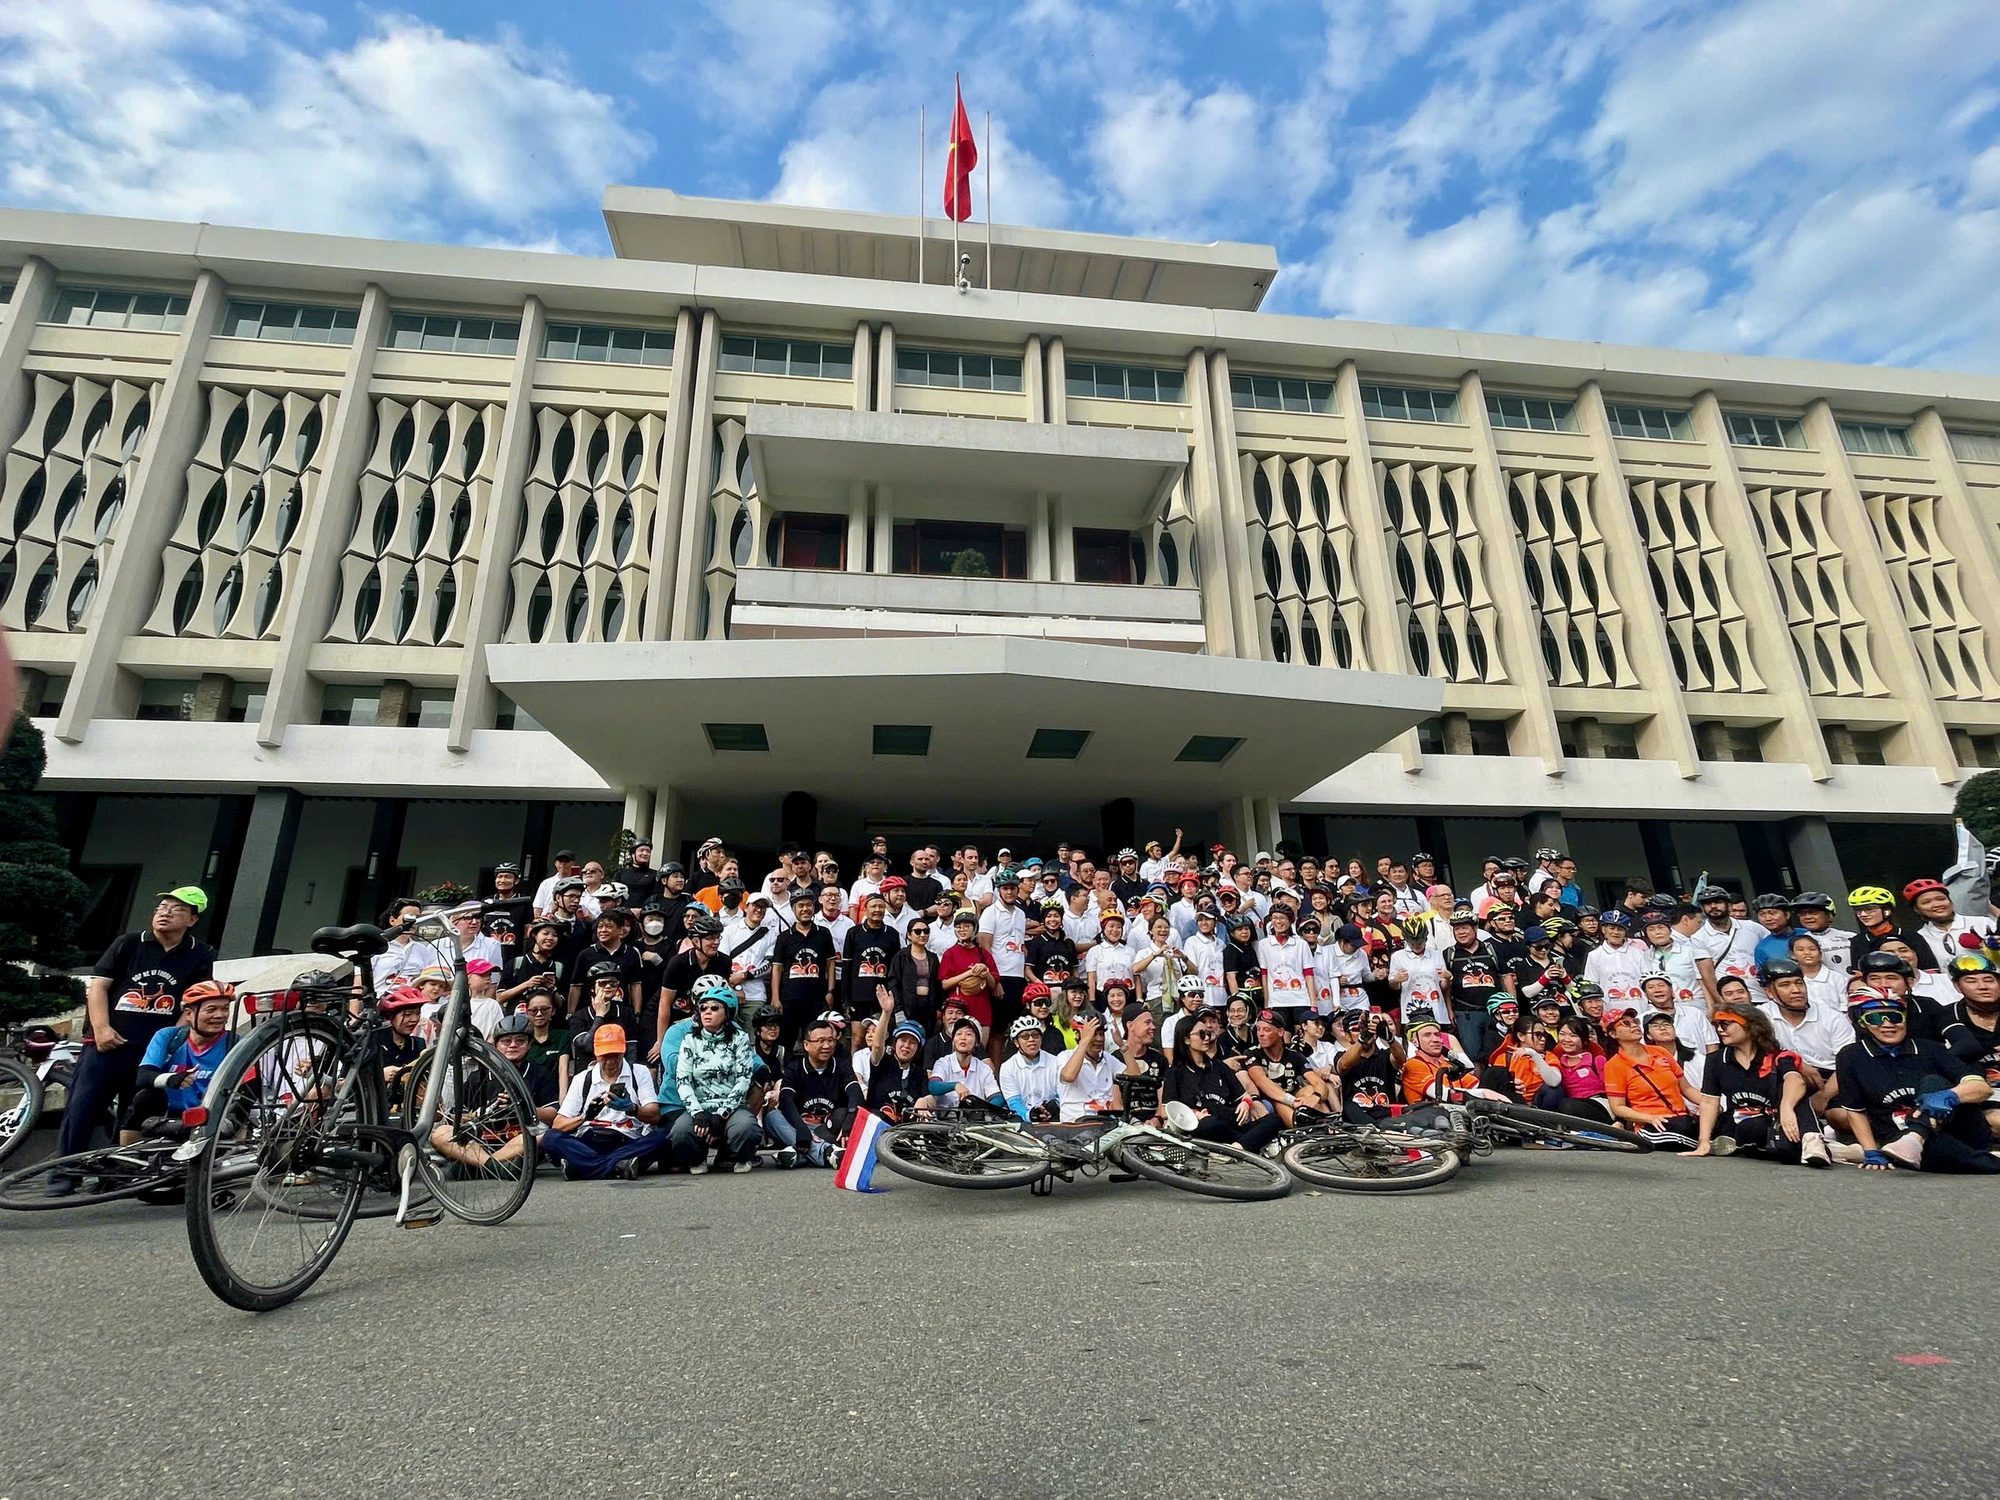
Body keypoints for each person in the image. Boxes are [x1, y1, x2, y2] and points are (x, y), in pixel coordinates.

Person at [54, 885, 216, 1175]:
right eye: (161, 907)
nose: (164, 913)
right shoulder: (129, 943)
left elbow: (194, 1003)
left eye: (176, 909)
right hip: (108, 1043)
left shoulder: (200, 953)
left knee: (138, 1110)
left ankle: (121, 1171)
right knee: (83, 1106)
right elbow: (98, 987)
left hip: (152, 1049)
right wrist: (101, 1029)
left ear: (192, 919)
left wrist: (171, 1041)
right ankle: (65, 1173)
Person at [1836, 989, 1999, 1173]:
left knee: (1933, 1081)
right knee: (1955, 1158)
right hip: (1900, 1135)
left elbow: (1982, 1088)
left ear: (1905, 1019)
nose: (1888, 1024)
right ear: (1863, 1024)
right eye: (1876, 1019)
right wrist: (1871, 1151)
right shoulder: (1850, 1056)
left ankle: (1915, 1137)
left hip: (1956, 1127)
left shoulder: (1931, 1049)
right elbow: (1856, 1111)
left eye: (1895, 1017)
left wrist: (1949, 1096)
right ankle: (1915, 1140)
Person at [1688, 1003, 1834, 1166]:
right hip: (1742, 1118)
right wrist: (1703, 1142)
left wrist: (1786, 1107)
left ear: (1750, 1026)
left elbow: (1796, 1080)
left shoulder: (1776, 1055)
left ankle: (1812, 1141)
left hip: (1778, 1117)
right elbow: (1709, 1102)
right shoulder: (1715, 1060)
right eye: (1717, 1025)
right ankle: (1825, 1149)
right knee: (1753, 1129)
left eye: (1725, 1024)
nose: (1720, 1030)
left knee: (1789, 1132)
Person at [116, 980, 234, 1142]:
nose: (220, 1015)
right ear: (189, 1014)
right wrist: (171, 1079)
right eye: (211, 1009)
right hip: (169, 1115)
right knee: (145, 1098)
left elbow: (249, 1091)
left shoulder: (235, 1043)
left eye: (225, 1009)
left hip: (212, 1118)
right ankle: (127, 1158)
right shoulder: (168, 1037)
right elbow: (143, 1076)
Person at [543, 1023, 664, 1181]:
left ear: (623, 1051)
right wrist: (584, 1117)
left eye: (616, 1054)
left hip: (626, 1140)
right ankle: (617, 1167)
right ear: (596, 1053)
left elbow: (655, 1115)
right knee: (550, 1138)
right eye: (605, 1055)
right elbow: (558, 1124)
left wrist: (632, 1108)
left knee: (663, 1136)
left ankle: (583, 1167)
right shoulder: (583, 1079)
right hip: (589, 1139)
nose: (610, 1061)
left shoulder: (639, 1072)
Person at [671, 985, 763, 1174]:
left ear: (727, 1012)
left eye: (714, 1008)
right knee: (680, 1132)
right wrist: (697, 1113)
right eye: (703, 1008)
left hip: (732, 1106)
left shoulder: (740, 1039)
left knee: (747, 1129)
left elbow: (744, 1079)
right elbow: (683, 1080)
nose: (707, 1012)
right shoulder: (689, 1041)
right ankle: (697, 1158)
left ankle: (740, 1156)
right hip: (699, 1105)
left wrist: (722, 1115)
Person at [1164, 1008, 1278, 1152]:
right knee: (1210, 1124)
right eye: (1201, 1034)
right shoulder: (1175, 1072)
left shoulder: (1219, 1067)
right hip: (1204, 1125)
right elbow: (1166, 1110)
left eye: (1207, 1034)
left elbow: (1244, 1096)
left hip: (1232, 1123)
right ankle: (1248, 1145)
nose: (1206, 1038)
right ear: (1186, 1039)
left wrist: (1246, 1103)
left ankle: (1236, 1148)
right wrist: (1194, 1114)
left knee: (1274, 1120)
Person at [1756, 958, 1852, 1117]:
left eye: (1799, 983)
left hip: (1831, 1081)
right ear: (1769, 992)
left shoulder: (1831, 1017)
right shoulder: (1762, 1016)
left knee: (1841, 1117)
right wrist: (1798, 1063)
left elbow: (1847, 1065)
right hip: (1787, 1078)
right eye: (1785, 985)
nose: (1796, 990)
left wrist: (1823, 1097)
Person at [1601, 1008, 1703, 1149]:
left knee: (1718, 1118)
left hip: (1682, 1117)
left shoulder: (1660, 1052)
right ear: (1613, 1034)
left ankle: (1707, 1140)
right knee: (1682, 1131)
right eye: (1626, 1023)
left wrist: (1708, 1105)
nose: (1635, 1025)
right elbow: (1618, 1107)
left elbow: (1686, 1088)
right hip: (1652, 1124)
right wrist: (1650, 1118)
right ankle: (1705, 1143)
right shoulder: (1614, 1065)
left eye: (1635, 1022)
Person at [777, 1016, 863, 1167]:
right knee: (773, 1117)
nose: (827, 1045)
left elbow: (856, 1093)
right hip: (800, 1126)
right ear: (806, 1045)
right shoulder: (794, 1068)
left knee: (846, 1114)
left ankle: (800, 1154)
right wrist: (801, 1128)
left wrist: (849, 1120)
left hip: (831, 1127)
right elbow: (785, 1100)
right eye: (820, 1041)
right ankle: (826, 1152)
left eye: (830, 1040)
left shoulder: (842, 1065)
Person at [654, 911, 728, 1059]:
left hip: (705, 1018)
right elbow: (664, 1004)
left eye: (718, 937)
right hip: (675, 1017)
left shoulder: (724, 962)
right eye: (710, 938)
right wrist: (661, 1041)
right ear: (695, 941)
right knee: (657, 1057)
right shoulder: (677, 963)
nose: (716, 942)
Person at [770, 888, 837, 1047]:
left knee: (816, 1040)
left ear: (814, 907)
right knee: (786, 1042)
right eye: (800, 905)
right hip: (790, 998)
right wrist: (775, 997)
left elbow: (830, 964)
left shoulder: (824, 934)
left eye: (809, 905)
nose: (805, 909)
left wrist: (831, 992)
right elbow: (777, 968)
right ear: (793, 909)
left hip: (817, 998)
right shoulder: (784, 937)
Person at [1242, 1008, 1333, 1126]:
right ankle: (1300, 1129)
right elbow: (1262, 1081)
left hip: (1294, 1099)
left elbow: (1320, 1084)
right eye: (1258, 1029)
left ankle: (1330, 1126)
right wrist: (1291, 1101)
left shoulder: (1294, 1056)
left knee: (1310, 1090)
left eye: (1266, 1030)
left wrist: (1314, 1098)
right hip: (1269, 1102)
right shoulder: (1252, 1053)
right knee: (1276, 1100)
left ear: (1280, 1032)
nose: (1260, 1034)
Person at [1903, 876, 1995, 972]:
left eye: (1941, 899)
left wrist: (1986, 946)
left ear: (1950, 901)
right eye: (1926, 902)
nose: (1936, 904)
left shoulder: (1982, 923)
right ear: (1917, 909)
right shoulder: (1920, 937)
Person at [493, 1011, 564, 1127]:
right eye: (506, 1041)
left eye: (520, 1040)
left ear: (529, 1045)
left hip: (524, 1136)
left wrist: (522, 1108)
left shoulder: (539, 1073)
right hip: (482, 1137)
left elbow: (553, 1113)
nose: (513, 1045)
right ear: (496, 1045)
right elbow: (459, 1115)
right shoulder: (480, 1075)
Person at [1055, 1009, 1121, 1120]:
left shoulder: (1107, 1058)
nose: (1099, 1039)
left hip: (1104, 1122)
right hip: (1075, 1124)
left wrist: (1123, 1047)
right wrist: (1085, 1040)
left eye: (1101, 1034)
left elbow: (1134, 1076)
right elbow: (1069, 1076)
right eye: (1094, 1034)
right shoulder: (1065, 1056)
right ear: (1078, 1034)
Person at [372, 983, 428, 1112]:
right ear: (390, 1017)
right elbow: (342, 1083)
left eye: (417, 1014)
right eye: (407, 1015)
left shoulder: (418, 1044)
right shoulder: (372, 1043)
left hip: (407, 1113)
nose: (414, 1019)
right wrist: (379, 1075)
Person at [1388, 915, 1449, 1028]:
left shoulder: (1436, 955)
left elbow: (1444, 986)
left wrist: (1448, 978)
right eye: (1412, 943)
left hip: (1437, 1011)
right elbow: (1394, 986)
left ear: (1426, 938)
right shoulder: (1398, 956)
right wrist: (1397, 980)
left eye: (1419, 942)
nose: (1416, 946)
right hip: (1411, 1011)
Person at [999, 1015, 1062, 1121]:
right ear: (1016, 1043)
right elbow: (1014, 1102)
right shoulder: (1007, 1067)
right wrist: (1030, 1115)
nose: (1031, 1040)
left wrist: (1054, 1105)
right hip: (1023, 1121)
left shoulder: (1055, 1061)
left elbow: (1062, 1093)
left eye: (1035, 1035)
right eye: (1025, 1036)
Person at [931, 1016, 1003, 1106]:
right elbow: (933, 1086)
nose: (963, 1038)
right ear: (953, 1041)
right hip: (946, 1118)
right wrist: (955, 1085)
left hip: (975, 1118)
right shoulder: (943, 1063)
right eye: (959, 1034)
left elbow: (997, 1097)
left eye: (969, 1034)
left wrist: (985, 1109)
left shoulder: (984, 1068)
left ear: (976, 1042)